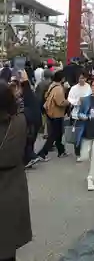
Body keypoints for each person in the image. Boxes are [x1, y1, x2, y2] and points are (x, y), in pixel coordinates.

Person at [0, 81, 32, 260]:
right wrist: (25, 84)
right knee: (8, 244)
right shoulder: (20, 121)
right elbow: (32, 105)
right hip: (13, 185)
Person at [37, 69, 69, 160]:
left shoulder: (52, 85)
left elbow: (46, 96)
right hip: (56, 113)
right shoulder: (59, 88)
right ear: (62, 78)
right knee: (54, 134)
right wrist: (69, 102)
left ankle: (61, 151)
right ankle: (43, 153)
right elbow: (60, 102)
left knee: (57, 133)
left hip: (50, 112)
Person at [67, 70, 91, 161]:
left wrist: (84, 101)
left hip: (85, 114)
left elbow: (89, 98)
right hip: (75, 115)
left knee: (86, 134)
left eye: (83, 78)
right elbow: (70, 99)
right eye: (80, 78)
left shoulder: (88, 87)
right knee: (77, 135)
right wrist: (77, 101)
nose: (82, 80)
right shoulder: (73, 88)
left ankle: (85, 152)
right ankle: (78, 153)